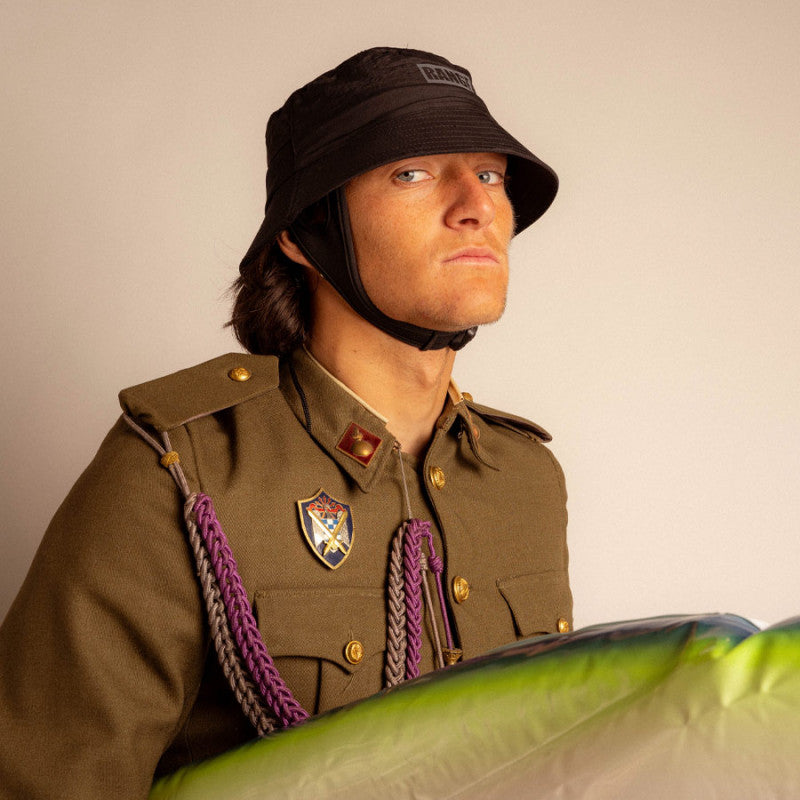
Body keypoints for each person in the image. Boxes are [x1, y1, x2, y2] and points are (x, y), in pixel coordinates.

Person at [0, 47, 572, 798]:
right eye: (412, 172)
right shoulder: (182, 469)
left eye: (491, 174)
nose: (478, 205)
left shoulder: (524, 477)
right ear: (305, 234)